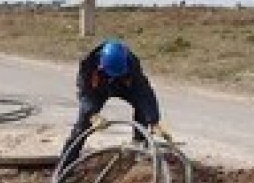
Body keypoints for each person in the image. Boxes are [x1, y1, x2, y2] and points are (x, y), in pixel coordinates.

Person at [59, 39, 171, 168]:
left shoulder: (131, 62)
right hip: (99, 88)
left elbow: (143, 92)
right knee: (82, 127)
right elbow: (85, 92)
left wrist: (154, 121)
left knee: (142, 108)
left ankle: (138, 144)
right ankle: (64, 167)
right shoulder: (88, 64)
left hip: (122, 85)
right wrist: (92, 114)